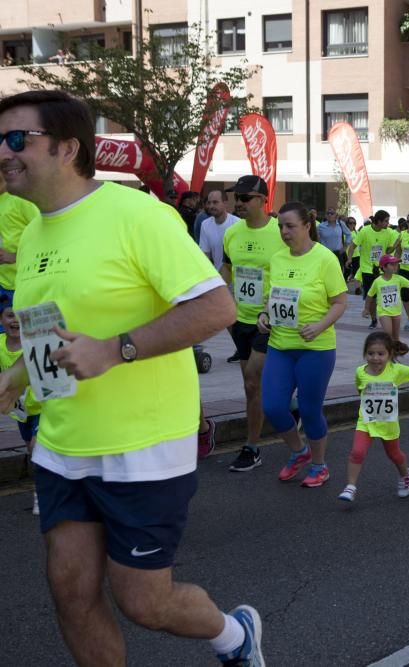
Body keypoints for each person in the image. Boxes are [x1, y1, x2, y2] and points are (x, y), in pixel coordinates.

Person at [0, 89, 263, 665]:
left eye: (17, 139)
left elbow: (216, 308)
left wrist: (117, 349)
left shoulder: (138, 214)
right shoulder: (35, 234)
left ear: (68, 147)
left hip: (143, 446)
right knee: (70, 594)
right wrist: (18, 376)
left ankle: (235, 636)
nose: (4, 152)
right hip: (64, 443)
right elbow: (54, 333)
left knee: (144, 601)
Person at [256, 201, 347, 488]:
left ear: (308, 226)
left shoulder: (325, 259)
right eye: (281, 226)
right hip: (280, 344)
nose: (284, 231)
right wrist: (263, 314)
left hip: (315, 349)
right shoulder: (278, 259)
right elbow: (271, 297)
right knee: (271, 406)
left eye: (290, 226)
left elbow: (340, 302)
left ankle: (319, 466)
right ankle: (299, 451)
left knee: (309, 410)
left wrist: (320, 325)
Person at [221, 175, 286, 473]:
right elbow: (227, 267)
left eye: (245, 198)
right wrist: (220, 298)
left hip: (268, 319)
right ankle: (288, 406)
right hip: (240, 320)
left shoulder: (279, 232)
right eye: (237, 198)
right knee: (251, 388)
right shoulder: (232, 234)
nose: (239, 203)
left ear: (263, 200)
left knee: (251, 379)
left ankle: (252, 447)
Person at [338, 332, 409, 503]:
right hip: (366, 422)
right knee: (357, 452)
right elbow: (360, 390)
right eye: (371, 354)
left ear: (390, 355)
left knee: (394, 455)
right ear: (365, 354)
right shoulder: (360, 372)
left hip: (388, 423)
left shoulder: (396, 371)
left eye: (380, 354)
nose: (375, 358)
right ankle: (351, 487)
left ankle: (406, 474)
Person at [0, 296, 41, 514]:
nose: (14, 320)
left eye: (18, 315)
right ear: (1, 319)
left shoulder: (35, 341)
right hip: (20, 411)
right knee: (31, 450)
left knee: (36, 448)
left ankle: (40, 497)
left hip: (43, 406)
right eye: (9, 315)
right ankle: (42, 487)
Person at [346, 209, 399, 329]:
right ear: (378, 221)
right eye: (386, 221)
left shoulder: (387, 232)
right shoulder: (365, 231)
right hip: (367, 269)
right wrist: (349, 259)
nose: (387, 223)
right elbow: (353, 246)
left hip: (381, 269)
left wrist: (395, 245)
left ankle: (384, 317)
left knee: (382, 295)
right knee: (371, 296)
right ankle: (374, 318)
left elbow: (388, 251)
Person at [0, 171, 39, 307]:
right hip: (3, 284)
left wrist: (14, 256)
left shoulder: (21, 200)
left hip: (24, 285)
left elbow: (48, 235)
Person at [366, 255, 409, 341]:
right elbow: (370, 295)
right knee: (388, 334)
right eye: (392, 264)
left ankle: (394, 351)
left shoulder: (399, 279)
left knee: (396, 337)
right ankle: (387, 351)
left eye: (396, 264)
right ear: (384, 267)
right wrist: (366, 309)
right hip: (383, 312)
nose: (395, 266)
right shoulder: (377, 281)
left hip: (396, 312)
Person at [198, 190, 238, 270]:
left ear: (225, 203)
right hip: (218, 278)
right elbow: (205, 255)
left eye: (215, 202)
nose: (211, 206)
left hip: (236, 278)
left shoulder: (237, 223)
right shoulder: (205, 224)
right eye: (209, 203)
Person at [317, 208, 352, 273]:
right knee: (326, 272)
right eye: (328, 213)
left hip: (338, 253)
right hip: (325, 254)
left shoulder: (340, 224)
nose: (330, 215)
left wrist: (345, 247)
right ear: (326, 215)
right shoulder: (320, 226)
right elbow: (316, 239)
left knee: (338, 272)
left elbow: (349, 234)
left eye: (332, 213)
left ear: (336, 215)